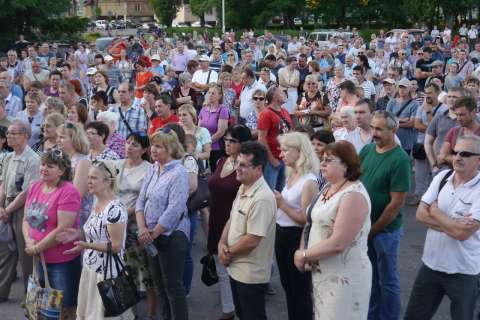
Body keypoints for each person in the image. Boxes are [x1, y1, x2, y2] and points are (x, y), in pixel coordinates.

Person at [405, 135, 480, 320]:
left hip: (464, 271)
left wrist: (436, 212)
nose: (457, 157)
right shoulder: (442, 177)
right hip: (431, 265)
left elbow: (462, 233)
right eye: (455, 152)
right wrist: (452, 225)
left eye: (465, 153)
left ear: (478, 160)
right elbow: (420, 215)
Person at [295, 140, 372, 320]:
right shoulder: (328, 187)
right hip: (323, 273)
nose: (322, 164)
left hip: (343, 277)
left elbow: (338, 243)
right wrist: (304, 250)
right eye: (322, 159)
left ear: (346, 165)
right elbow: (311, 222)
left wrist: (304, 255)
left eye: (328, 160)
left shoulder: (353, 195)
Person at [359, 111, 411, 320]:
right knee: (370, 277)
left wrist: (373, 230)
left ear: (394, 130)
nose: (374, 133)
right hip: (365, 229)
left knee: (387, 280)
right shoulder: (367, 150)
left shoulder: (400, 159)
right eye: (372, 127)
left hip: (385, 232)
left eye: (380, 129)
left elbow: (396, 203)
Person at [60, 161, 128, 319]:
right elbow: (97, 234)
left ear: (107, 182)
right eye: (88, 177)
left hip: (106, 274)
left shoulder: (115, 209)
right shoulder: (97, 203)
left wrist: (87, 245)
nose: (88, 181)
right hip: (90, 269)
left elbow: (116, 246)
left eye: (94, 178)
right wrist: (78, 235)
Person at [218, 141, 277, 320]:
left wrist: (227, 252)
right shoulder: (244, 186)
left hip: (250, 274)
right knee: (242, 314)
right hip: (236, 267)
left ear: (259, 169)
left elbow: (252, 239)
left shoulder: (262, 198)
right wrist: (221, 242)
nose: (237, 168)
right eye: (237, 163)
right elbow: (232, 217)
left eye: (243, 165)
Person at [136, 129, 190, 320]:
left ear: (171, 148)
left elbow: (175, 209)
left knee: (173, 287)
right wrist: (142, 228)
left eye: (159, 146)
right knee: (159, 286)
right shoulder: (152, 168)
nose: (153, 150)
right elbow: (140, 201)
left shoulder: (179, 172)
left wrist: (153, 233)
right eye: (153, 145)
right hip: (150, 235)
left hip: (171, 236)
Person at [22, 149, 82, 319]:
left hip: (61, 261)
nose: (44, 168)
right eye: (42, 164)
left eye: (50, 166)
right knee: (42, 308)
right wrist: (28, 242)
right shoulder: (35, 186)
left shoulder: (68, 191)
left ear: (62, 171)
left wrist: (36, 247)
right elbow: (26, 219)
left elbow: (62, 230)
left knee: (65, 307)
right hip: (37, 257)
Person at [108, 132, 156, 320]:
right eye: (128, 142)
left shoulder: (149, 169)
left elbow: (143, 200)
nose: (129, 147)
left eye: (135, 144)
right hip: (115, 226)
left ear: (144, 150)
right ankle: (128, 313)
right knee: (121, 271)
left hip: (136, 226)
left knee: (144, 273)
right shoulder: (116, 165)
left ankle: (152, 314)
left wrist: (121, 216)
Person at [207, 125, 252, 320]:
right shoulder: (221, 161)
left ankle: (241, 310)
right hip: (216, 218)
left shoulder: (247, 167)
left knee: (238, 268)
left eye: (232, 141)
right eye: (226, 140)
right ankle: (228, 310)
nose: (227, 143)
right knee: (221, 267)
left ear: (243, 144)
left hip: (236, 221)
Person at [274, 132, 319, 320]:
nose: (281, 154)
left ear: (299, 151)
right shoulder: (292, 174)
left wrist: (281, 203)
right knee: (288, 287)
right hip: (282, 234)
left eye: (285, 150)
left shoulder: (308, 181)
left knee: (299, 290)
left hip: (295, 237)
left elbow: (306, 220)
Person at [0, 120, 40, 300]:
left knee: (26, 257)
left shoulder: (33, 159)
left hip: (23, 209)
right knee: (5, 253)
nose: (9, 136)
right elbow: (2, 184)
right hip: (6, 206)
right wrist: (1, 207)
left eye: (13, 133)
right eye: (8, 133)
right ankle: (2, 292)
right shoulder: (8, 157)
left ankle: (30, 297)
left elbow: (26, 192)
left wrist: (6, 210)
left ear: (25, 135)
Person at [56, 122, 92, 226]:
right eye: (58, 136)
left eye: (62, 137)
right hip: (59, 208)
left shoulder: (83, 161)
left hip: (75, 213)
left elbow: (76, 194)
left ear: (74, 139)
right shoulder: (61, 158)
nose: (58, 140)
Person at [258, 86, 293, 191]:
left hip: (284, 158)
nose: (284, 94)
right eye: (282, 92)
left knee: (281, 191)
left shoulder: (285, 111)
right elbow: (261, 138)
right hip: (272, 160)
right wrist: (271, 159)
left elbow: (290, 133)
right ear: (274, 96)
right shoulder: (266, 113)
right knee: (270, 191)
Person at [424, 87, 463, 173]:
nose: (451, 99)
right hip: (441, 168)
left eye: (454, 97)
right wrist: (433, 165)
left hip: (463, 167)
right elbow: (427, 142)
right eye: (449, 97)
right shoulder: (439, 117)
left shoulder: (469, 118)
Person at [438, 97, 480, 168]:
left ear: (473, 112)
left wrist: (452, 158)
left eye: (462, 115)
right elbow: (442, 156)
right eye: (456, 115)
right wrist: (469, 160)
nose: (458, 118)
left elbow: (445, 156)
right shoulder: (454, 131)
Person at [199, 84, 229, 172]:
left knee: (213, 173)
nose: (210, 95)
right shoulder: (204, 109)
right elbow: (199, 128)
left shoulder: (223, 110)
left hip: (216, 148)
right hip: (203, 147)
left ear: (219, 96)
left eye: (213, 93)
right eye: (209, 93)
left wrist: (206, 143)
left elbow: (221, 132)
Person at [386, 78, 419, 154]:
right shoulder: (392, 102)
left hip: (407, 142)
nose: (402, 90)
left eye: (404, 87)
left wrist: (394, 122)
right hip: (392, 140)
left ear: (409, 89)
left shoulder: (415, 104)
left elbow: (411, 123)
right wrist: (402, 120)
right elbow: (387, 120)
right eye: (400, 87)